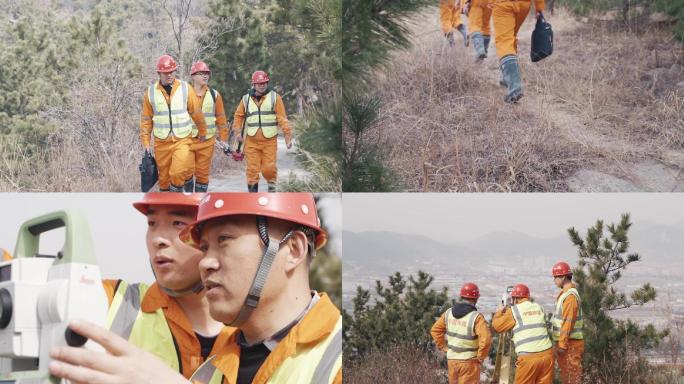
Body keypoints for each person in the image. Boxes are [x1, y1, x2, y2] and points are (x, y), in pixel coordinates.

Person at [49, 193, 341, 384]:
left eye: (224, 239)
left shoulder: (338, 357)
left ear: (293, 249)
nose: (206, 262)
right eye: (203, 247)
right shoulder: (216, 369)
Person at [102, 193, 231, 378]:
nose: (157, 240)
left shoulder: (253, 331)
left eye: (178, 223)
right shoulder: (115, 301)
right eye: (152, 223)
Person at [140, 55, 208, 191]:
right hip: (161, 143)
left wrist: (202, 131)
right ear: (159, 73)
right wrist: (146, 143)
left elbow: (196, 112)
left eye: (172, 71)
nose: (169, 75)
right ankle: (168, 209)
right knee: (164, 181)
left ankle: (178, 198)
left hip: (182, 140)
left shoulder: (185, 88)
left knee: (177, 173)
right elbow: (146, 120)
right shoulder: (151, 92)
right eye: (166, 72)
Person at [232, 71, 292, 192]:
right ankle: (253, 197)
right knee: (252, 170)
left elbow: (282, 118)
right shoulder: (245, 99)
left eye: (264, 82)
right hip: (251, 142)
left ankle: (272, 190)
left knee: (269, 169)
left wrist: (287, 136)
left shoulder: (275, 98)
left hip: (269, 141)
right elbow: (238, 116)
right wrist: (238, 133)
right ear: (253, 84)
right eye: (259, 83)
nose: (262, 85)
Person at [492, 283, 554, 384]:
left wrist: (499, 311)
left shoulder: (514, 311)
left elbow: (497, 326)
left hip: (528, 358)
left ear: (515, 299)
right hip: (547, 355)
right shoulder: (538, 307)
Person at [431, 282, 492, 384]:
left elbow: (435, 330)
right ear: (476, 298)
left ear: (461, 296)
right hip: (469, 363)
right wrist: (480, 357)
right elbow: (486, 340)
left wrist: (444, 348)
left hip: (452, 361)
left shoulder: (448, 313)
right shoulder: (476, 317)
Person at [491, 0, 545, 102]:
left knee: (505, 40)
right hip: (523, 4)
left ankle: (514, 87)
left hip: (503, 3)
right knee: (510, 36)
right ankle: (507, 77)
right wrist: (539, 8)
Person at [187, 61, 230, 192]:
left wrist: (223, 139)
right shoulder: (184, 94)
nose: (205, 76)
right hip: (186, 140)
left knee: (202, 175)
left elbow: (221, 118)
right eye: (201, 73)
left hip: (207, 142)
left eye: (207, 73)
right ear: (193, 76)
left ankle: (199, 202)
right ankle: (186, 201)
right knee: (185, 171)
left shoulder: (214, 95)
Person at [551, 261, 584, 384]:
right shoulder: (565, 294)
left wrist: (562, 345)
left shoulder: (570, 297)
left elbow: (567, 323)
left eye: (556, 277)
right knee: (567, 375)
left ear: (563, 277)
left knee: (571, 377)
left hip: (570, 344)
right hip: (568, 343)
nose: (554, 280)